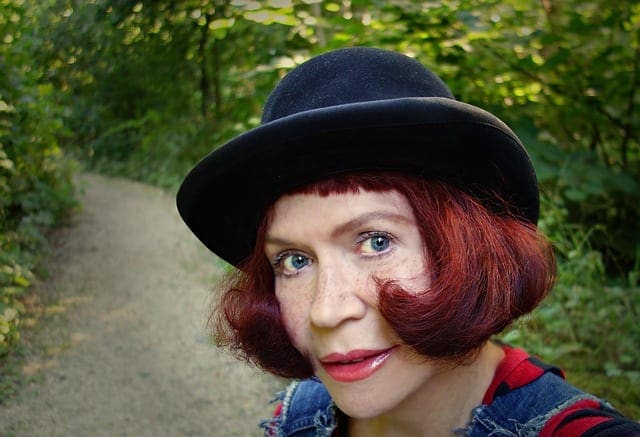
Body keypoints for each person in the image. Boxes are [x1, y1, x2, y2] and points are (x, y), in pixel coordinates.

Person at [176, 47, 640, 436]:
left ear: (471, 250)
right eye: (294, 260)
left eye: (376, 241)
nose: (326, 311)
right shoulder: (297, 417)